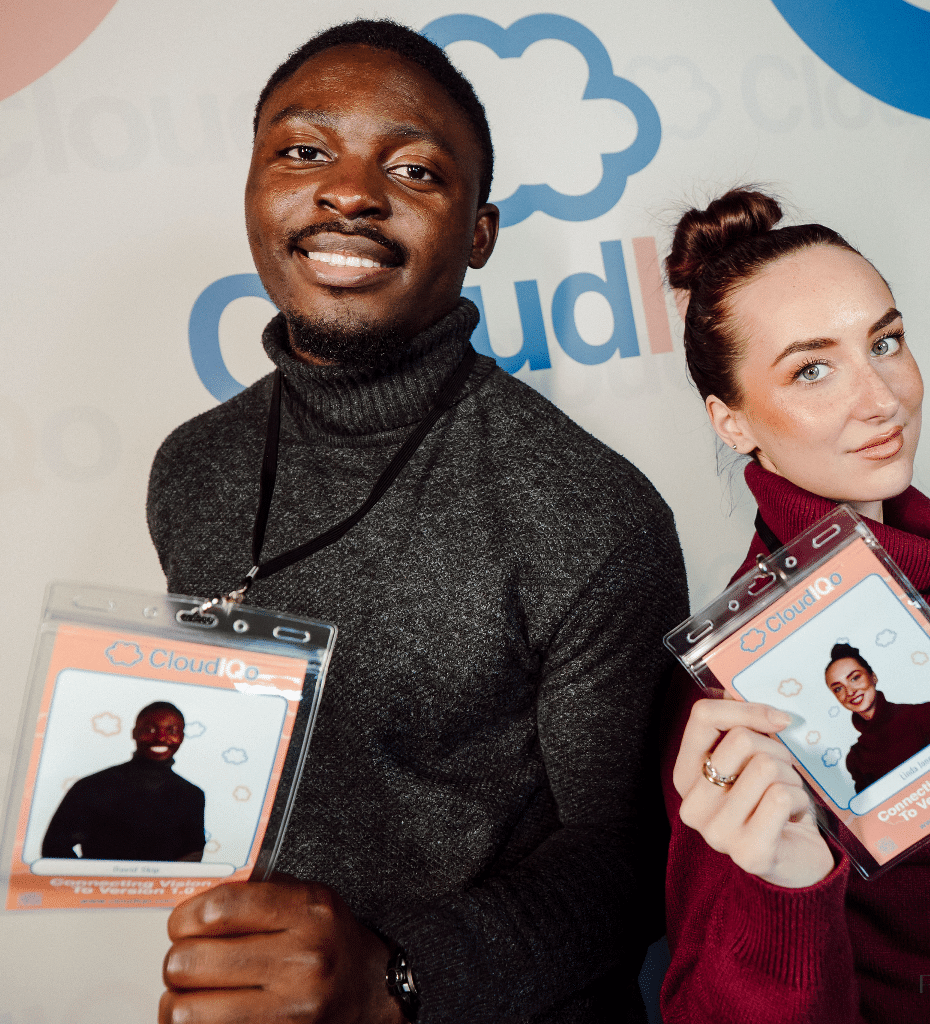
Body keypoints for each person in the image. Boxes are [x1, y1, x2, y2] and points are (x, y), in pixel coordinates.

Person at [147, 19, 688, 1024]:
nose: (349, 190)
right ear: (254, 192)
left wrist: (393, 974)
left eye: (416, 170)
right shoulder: (192, 469)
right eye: (305, 151)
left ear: (478, 233)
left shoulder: (592, 513)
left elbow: (631, 861)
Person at [659, 187, 930, 1023]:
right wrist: (780, 890)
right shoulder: (739, 678)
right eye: (812, 369)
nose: (881, 399)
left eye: (885, 341)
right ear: (732, 420)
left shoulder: (906, 574)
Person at [41, 701, 205, 862]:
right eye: (150, 729)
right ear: (134, 733)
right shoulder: (93, 786)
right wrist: (88, 880)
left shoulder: (191, 795)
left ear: (182, 736)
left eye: (172, 731)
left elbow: (193, 853)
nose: (161, 738)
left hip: (159, 888)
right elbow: (54, 846)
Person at [825, 642, 930, 794]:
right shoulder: (855, 759)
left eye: (854, 678)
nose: (850, 691)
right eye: (838, 688)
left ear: (873, 677)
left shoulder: (927, 715)